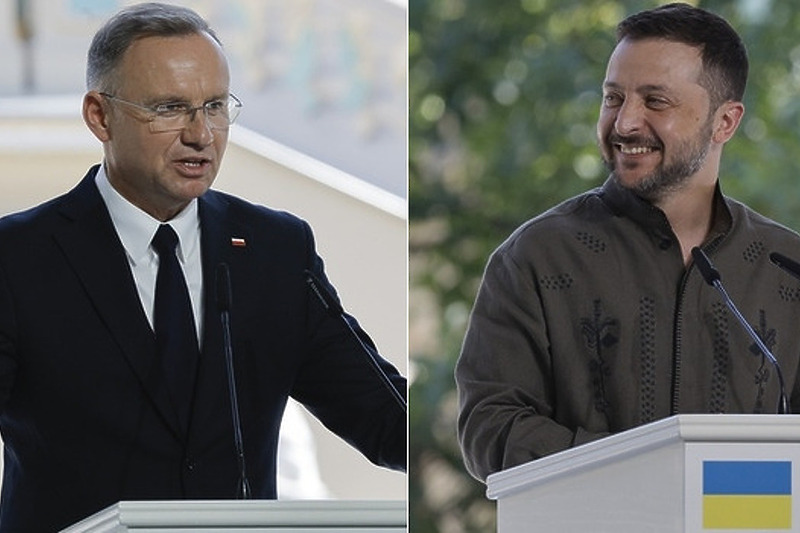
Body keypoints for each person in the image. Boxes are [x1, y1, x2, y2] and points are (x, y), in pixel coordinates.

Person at [0, 3, 406, 531]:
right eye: (170, 108)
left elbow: (383, 418)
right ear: (100, 116)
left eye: (214, 106)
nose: (202, 135)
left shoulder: (275, 250)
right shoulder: (18, 257)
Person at [455, 2, 800, 483]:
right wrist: (645, 472)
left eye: (655, 101)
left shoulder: (788, 267)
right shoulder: (534, 258)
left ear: (725, 122)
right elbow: (489, 428)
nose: (625, 123)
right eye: (614, 98)